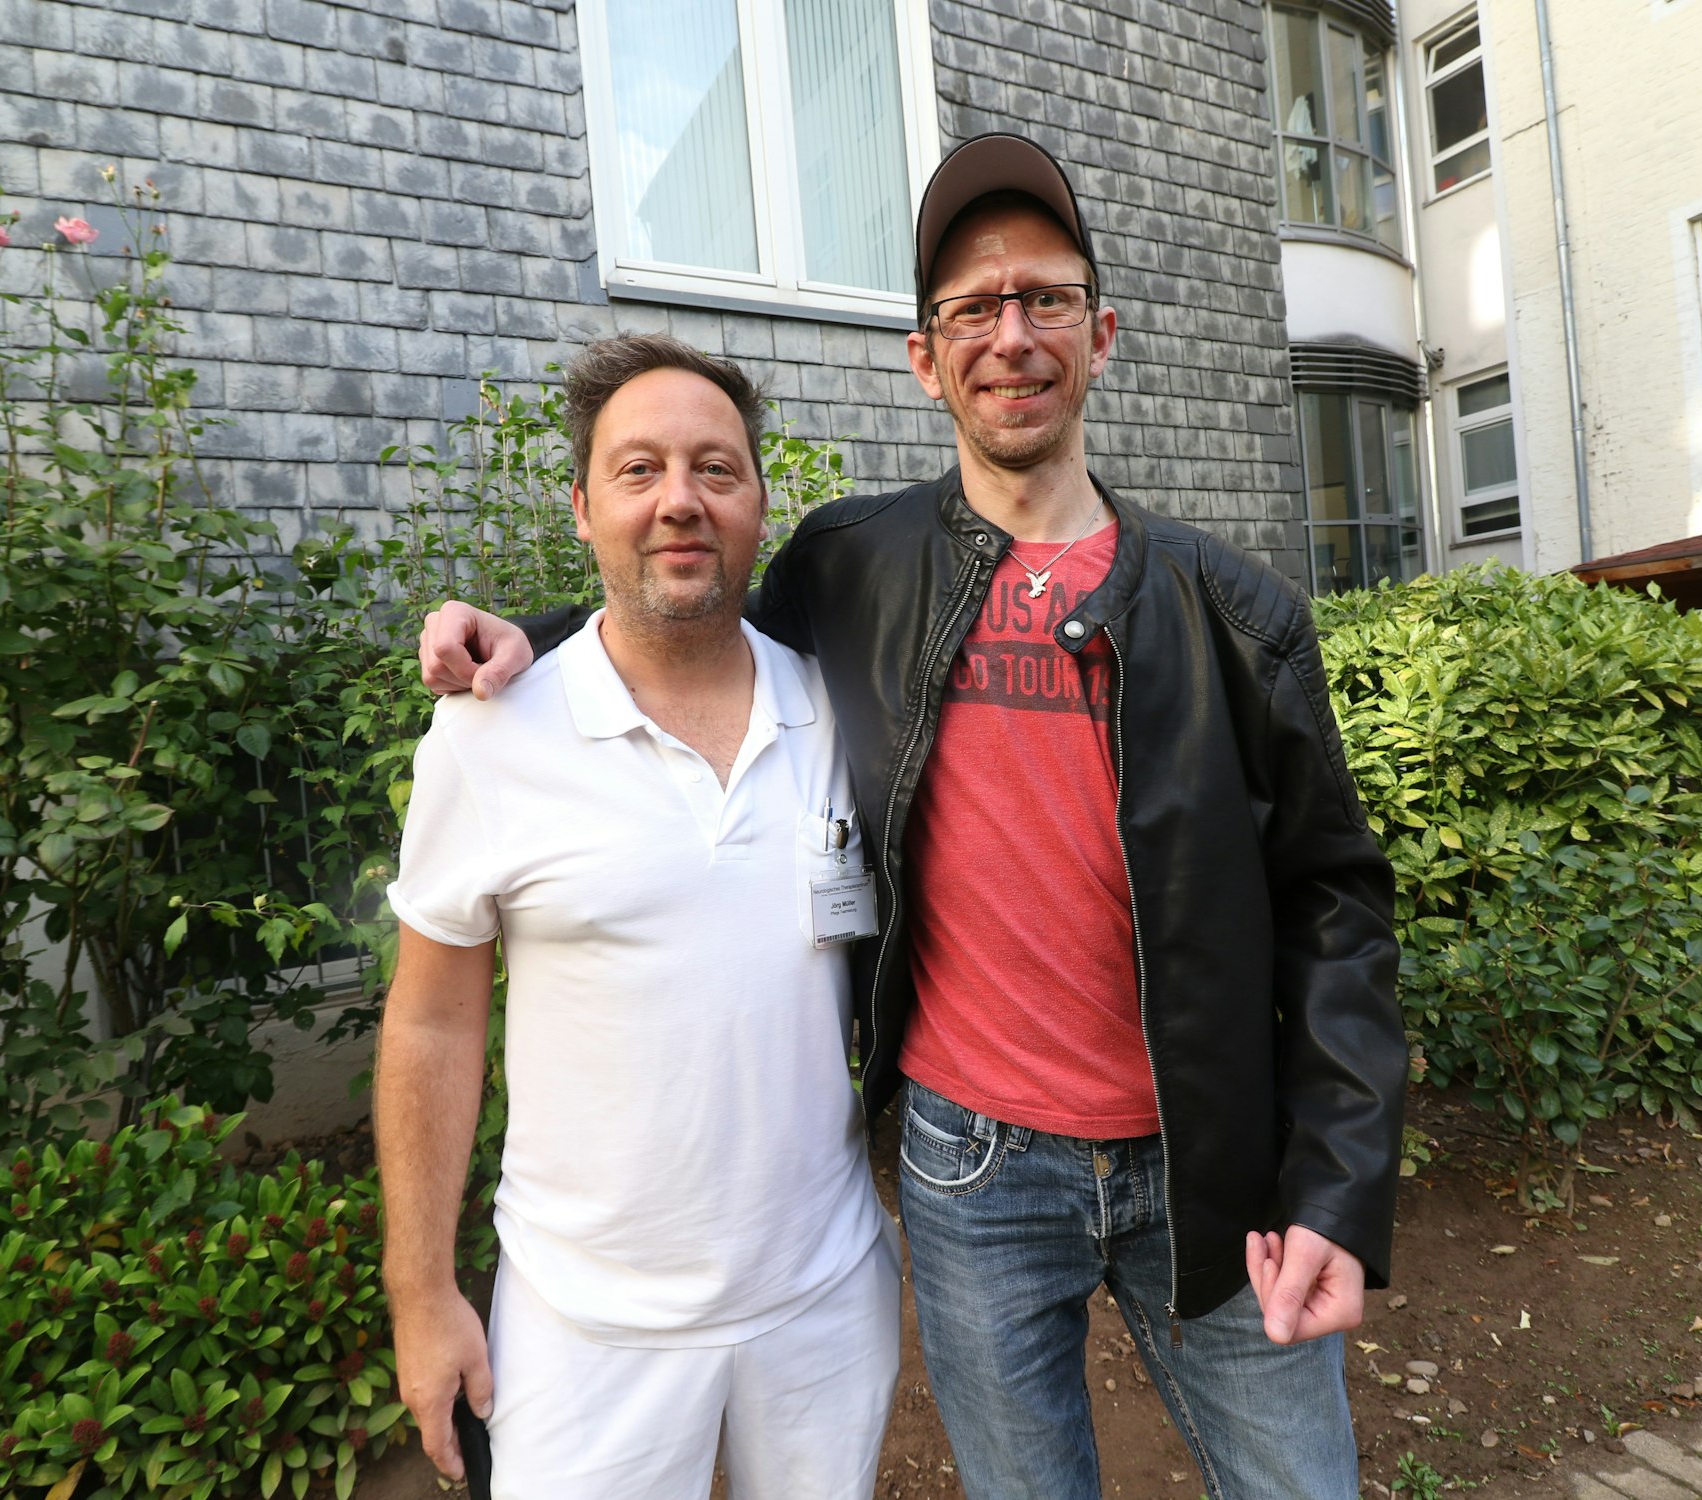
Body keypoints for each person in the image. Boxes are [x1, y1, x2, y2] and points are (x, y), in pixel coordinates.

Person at [419, 132, 1407, 1499]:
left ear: (1102, 334)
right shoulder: (857, 565)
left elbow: (1336, 907)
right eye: (972, 309)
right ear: (923, 355)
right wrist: (514, 644)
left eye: (1045, 299)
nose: (1012, 336)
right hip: (973, 1176)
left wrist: (1339, 1186)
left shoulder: (1234, 613)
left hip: (1216, 1162)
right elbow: (678, 630)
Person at [377, 333, 899, 1500]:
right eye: (637, 470)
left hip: (820, 1302)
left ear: (760, 505)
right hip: (583, 1330)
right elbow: (429, 1027)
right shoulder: (490, 735)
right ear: (580, 508)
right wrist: (421, 1296)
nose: (679, 501)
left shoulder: (839, 713)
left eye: (716, 470)